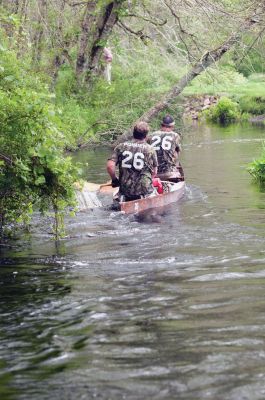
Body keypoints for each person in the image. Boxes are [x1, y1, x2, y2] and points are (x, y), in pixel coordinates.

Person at [107, 122, 158, 202]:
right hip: (143, 190)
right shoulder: (150, 149)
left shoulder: (121, 146)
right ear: (146, 135)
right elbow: (154, 172)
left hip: (125, 190)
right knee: (155, 192)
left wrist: (114, 179)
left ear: (133, 133)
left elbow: (110, 166)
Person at [147, 115, 184, 182]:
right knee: (176, 151)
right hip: (169, 173)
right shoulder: (175, 135)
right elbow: (177, 153)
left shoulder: (151, 135)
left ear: (161, 125)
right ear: (172, 126)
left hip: (153, 173)